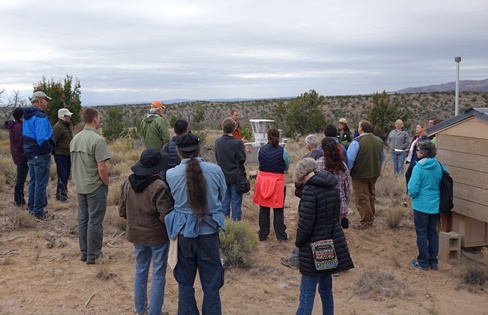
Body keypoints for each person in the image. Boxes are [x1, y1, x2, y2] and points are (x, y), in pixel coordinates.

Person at [164, 133, 226, 315]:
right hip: (209, 233)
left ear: (178, 151)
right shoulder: (215, 170)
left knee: (185, 283)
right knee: (212, 284)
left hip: (184, 234)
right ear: (199, 149)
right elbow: (221, 197)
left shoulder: (171, 174)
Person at [293, 158, 354, 315]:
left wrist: (298, 242)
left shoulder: (310, 191)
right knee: (326, 288)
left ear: (302, 174)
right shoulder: (332, 186)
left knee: (307, 292)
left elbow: (306, 224)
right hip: (329, 244)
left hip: (313, 246)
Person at [119, 148, 173, 315]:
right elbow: (166, 215)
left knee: (140, 270)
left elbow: (122, 211)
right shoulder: (159, 186)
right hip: (157, 236)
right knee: (158, 275)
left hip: (136, 234)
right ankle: (155, 312)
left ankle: (140, 308)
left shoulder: (127, 183)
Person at [70, 108, 111, 265]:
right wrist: (105, 182)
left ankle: (85, 252)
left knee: (83, 218)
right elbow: (102, 167)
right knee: (95, 220)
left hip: (80, 185)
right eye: (99, 117)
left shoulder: (75, 139)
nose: (99, 120)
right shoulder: (97, 140)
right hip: (94, 185)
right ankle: (94, 254)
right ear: (94, 119)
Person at [407, 140, 443, 271]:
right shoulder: (439, 166)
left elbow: (412, 189)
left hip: (421, 205)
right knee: (432, 232)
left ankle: (422, 262)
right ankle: (433, 262)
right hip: (435, 204)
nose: (416, 153)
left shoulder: (419, 168)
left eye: (418, 150)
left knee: (421, 233)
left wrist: (414, 196)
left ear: (423, 153)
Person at [252, 128, 290, 241]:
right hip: (278, 182)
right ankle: (280, 236)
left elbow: (260, 162)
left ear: (267, 137)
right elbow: (286, 166)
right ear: (278, 137)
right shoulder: (283, 151)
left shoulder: (260, 150)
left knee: (263, 209)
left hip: (262, 181)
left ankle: (262, 235)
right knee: (278, 210)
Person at [23, 91, 56, 220]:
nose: (47, 102)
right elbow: (42, 137)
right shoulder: (40, 117)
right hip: (40, 154)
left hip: (30, 154)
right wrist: (48, 150)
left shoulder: (27, 116)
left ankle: (32, 209)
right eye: (46, 100)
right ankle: (38, 212)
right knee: (41, 184)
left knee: (33, 182)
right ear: (40, 100)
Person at [347, 120, 385, 229]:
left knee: (361, 198)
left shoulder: (357, 142)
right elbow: (383, 157)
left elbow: (350, 159)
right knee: (370, 195)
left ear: (361, 129)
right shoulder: (379, 141)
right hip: (374, 173)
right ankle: (370, 217)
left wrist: (349, 172)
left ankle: (367, 222)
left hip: (359, 174)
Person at [215, 117, 247, 221]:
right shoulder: (237, 143)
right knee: (236, 204)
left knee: (224, 203)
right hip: (236, 177)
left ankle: (225, 227)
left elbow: (217, 157)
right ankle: (236, 226)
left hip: (223, 176)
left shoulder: (218, 142)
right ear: (234, 129)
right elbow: (242, 159)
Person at [319, 137, 351, 222]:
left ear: (323, 149)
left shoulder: (317, 164)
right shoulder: (342, 165)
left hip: (322, 203)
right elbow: (347, 188)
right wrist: (346, 204)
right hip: (339, 203)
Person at [4, 108, 28, 207]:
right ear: (21, 116)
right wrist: (26, 153)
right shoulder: (17, 127)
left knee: (21, 179)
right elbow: (20, 143)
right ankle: (18, 200)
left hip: (19, 155)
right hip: (21, 156)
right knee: (21, 179)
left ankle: (20, 199)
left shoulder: (17, 125)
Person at [52, 108, 74, 201]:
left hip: (67, 154)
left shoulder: (67, 126)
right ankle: (61, 196)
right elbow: (53, 141)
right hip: (61, 155)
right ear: (63, 116)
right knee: (62, 175)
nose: (69, 117)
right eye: (67, 116)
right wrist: (54, 153)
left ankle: (62, 194)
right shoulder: (58, 127)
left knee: (66, 175)